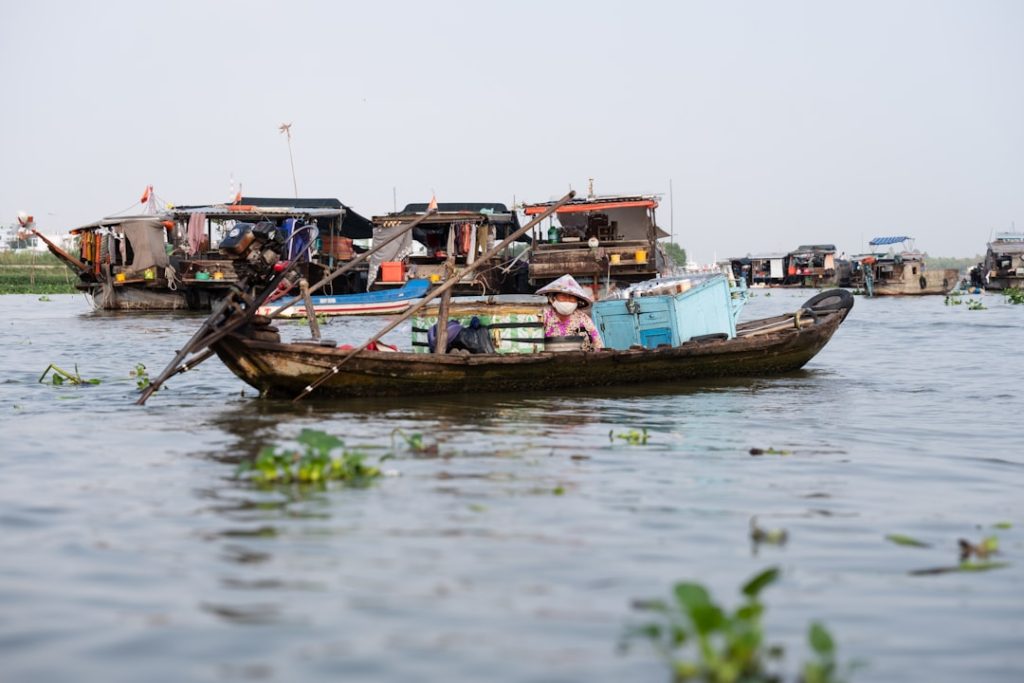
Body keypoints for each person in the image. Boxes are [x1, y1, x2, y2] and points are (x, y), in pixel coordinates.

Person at [536, 274, 604, 350]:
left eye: (571, 297)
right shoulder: (544, 315)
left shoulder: (583, 318)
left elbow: (598, 344)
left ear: (577, 301)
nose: (567, 300)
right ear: (553, 298)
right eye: (563, 296)